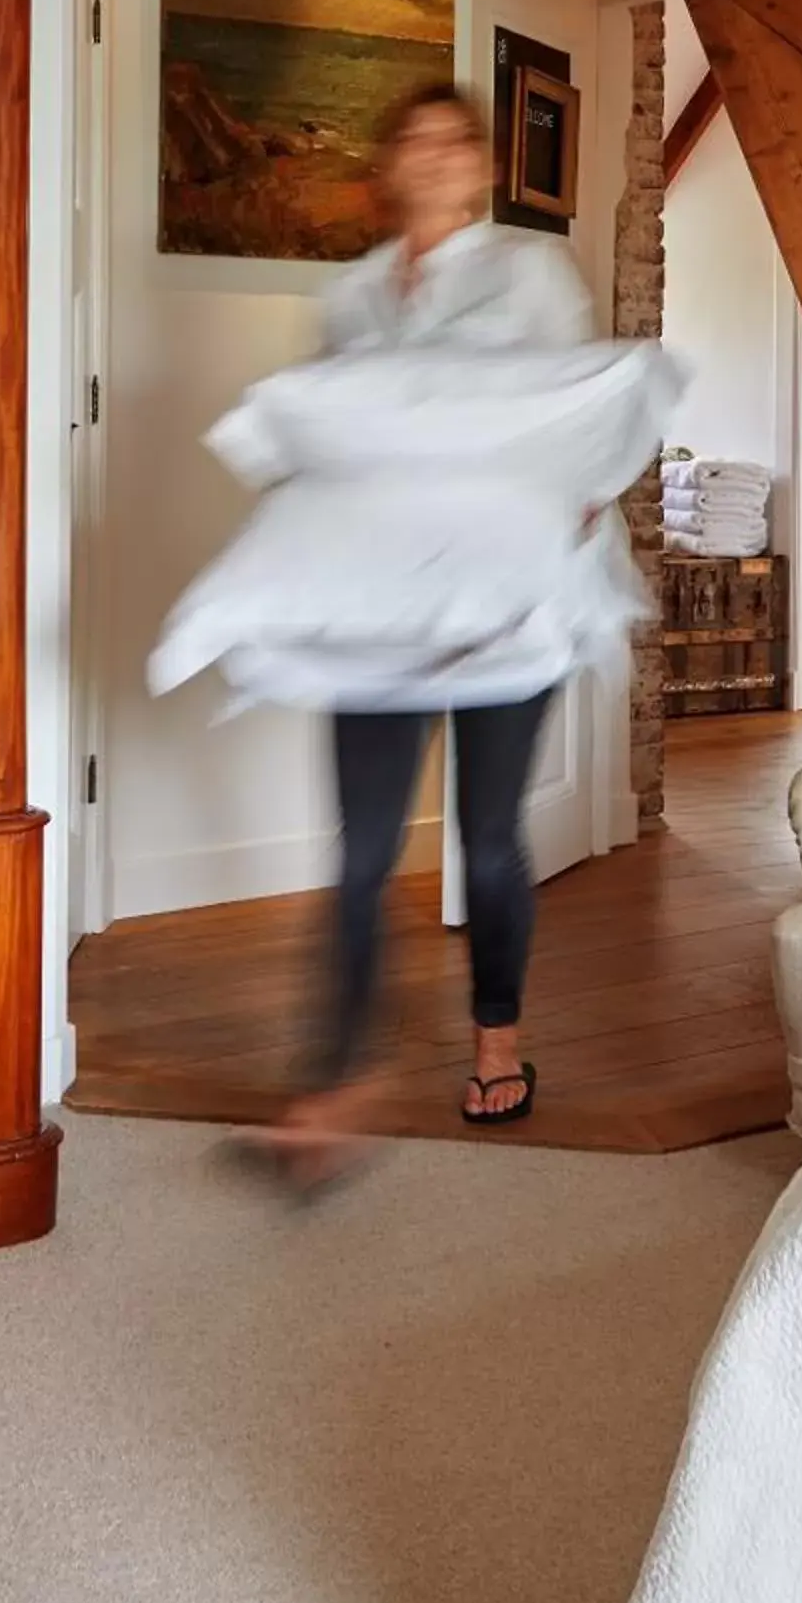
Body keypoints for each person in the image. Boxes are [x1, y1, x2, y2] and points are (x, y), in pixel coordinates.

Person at [273, 80, 598, 1182]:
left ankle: (497, 1039)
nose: (434, 156)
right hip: (379, 604)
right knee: (361, 848)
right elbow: (330, 442)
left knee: (486, 836)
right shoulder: (351, 296)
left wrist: (544, 528)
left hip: (504, 600)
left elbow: (585, 421)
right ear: (389, 166)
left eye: (454, 140)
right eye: (412, 140)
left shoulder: (529, 272)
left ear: (480, 165)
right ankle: (333, 1085)